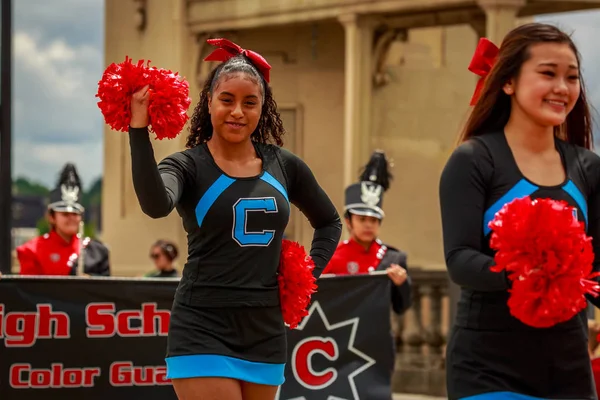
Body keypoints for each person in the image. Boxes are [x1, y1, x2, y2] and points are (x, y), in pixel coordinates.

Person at [126, 38, 342, 400]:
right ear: (208, 102)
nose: (237, 111)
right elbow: (155, 204)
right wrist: (138, 130)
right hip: (202, 324)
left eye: (249, 102)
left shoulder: (284, 165)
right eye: (227, 100)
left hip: (264, 328)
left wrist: (305, 276)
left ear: (263, 109)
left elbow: (329, 222)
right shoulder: (187, 165)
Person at [439, 23, 600, 399]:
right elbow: (459, 259)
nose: (563, 87)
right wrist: (527, 273)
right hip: (487, 365)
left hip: (569, 365)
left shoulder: (589, 168)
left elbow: (595, 268)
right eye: (548, 73)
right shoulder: (473, 160)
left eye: (572, 77)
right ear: (508, 82)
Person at [323, 150, 411, 316]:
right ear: (349, 222)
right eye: (362, 219)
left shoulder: (393, 259)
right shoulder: (333, 256)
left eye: (374, 220)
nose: (368, 225)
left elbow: (402, 307)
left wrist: (402, 284)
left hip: (377, 335)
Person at [16, 163, 111, 277]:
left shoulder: (96, 252)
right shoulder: (31, 251)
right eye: (65, 214)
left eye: (75, 214)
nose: (71, 218)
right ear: (51, 217)